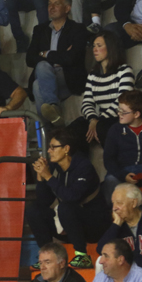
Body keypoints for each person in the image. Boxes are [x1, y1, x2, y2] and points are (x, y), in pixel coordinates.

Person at [28, 128, 109, 269]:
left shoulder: (84, 167)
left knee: (66, 207)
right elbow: (44, 202)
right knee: (34, 209)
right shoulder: (54, 166)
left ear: (66, 149)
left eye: (53, 147)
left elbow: (71, 197)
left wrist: (49, 177)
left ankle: (82, 256)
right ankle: (47, 257)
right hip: (68, 224)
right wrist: (41, 178)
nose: (49, 151)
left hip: (94, 226)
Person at [25, 0, 87, 126]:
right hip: (45, 77)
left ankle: (46, 129)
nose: (51, 7)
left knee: (41, 69)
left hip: (67, 79)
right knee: (38, 81)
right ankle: (53, 111)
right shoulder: (40, 29)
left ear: (67, 8)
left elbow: (71, 59)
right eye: (49, 4)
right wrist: (60, 56)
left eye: (56, 4)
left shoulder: (78, 29)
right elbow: (29, 59)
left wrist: (45, 54)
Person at [67, 31, 135, 149]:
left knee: (102, 127)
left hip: (119, 118)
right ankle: (80, 161)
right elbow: (87, 102)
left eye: (99, 46)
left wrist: (98, 120)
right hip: (99, 119)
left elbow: (123, 101)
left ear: (111, 48)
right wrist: (93, 119)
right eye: (94, 46)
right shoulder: (93, 75)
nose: (94, 49)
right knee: (72, 131)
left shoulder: (124, 71)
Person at [102, 91, 142, 201]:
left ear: (136, 114)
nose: (119, 114)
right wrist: (123, 175)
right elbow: (108, 160)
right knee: (110, 180)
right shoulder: (115, 130)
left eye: (123, 112)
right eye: (118, 110)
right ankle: (116, 210)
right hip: (121, 170)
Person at [97, 184, 142, 267]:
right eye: (113, 203)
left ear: (134, 203)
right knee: (100, 262)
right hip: (127, 269)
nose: (114, 208)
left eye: (119, 203)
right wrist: (116, 224)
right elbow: (101, 249)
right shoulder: (117, 226)